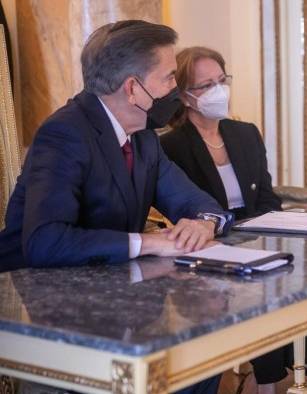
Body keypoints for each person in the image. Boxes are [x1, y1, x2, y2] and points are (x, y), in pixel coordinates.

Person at [0, 20, 233, 393]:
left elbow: (199, 202)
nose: (176, 88)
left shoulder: (144, 139)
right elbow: (46, 242)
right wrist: (151, 242)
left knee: (202, 356)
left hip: (116, 295)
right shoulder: (64, 133)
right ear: (132, 88)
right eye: (169, 77)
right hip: (45, 314)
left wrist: (204, 223)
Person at [160, 47, 307, 394]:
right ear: (185, 96)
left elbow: (265, 198)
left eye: (222, 80)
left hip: (258, 230)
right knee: (257, 285)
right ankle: (267, 383)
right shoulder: (172, 145)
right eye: (206, 85)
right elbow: (182, 208)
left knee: (300, 273)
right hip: (212, 242)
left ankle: (296, 370)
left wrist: (274, 227)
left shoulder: (245, 133)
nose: (218, 90)